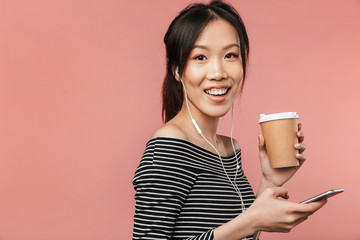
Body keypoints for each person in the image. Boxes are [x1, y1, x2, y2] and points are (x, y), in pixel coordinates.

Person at [132, 1, 327, 239]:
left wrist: (269, 181)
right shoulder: (169, 147)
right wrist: (250, 220)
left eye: (230, 55)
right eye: (200, 56)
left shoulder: (228, 148)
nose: (218, 73)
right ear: (176, 69)